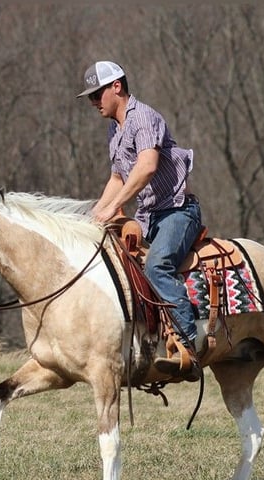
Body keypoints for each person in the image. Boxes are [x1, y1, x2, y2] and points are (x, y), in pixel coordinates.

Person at [77, 60, 202, 380]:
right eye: (90, 97)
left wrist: (114, 207)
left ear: (116, 87)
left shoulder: (143, 117)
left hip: (177, 211)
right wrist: (94, 215)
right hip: (148, 216)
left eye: (96, 94)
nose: (93, 102)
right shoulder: (114, 130)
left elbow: (146, 166)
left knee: (157, 265)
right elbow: (118, 178)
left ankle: (190, 344)